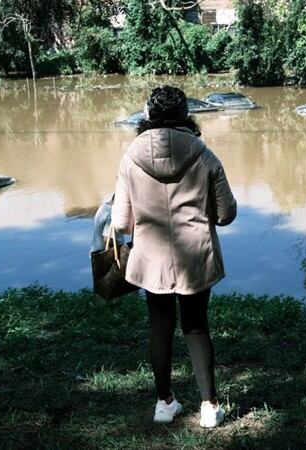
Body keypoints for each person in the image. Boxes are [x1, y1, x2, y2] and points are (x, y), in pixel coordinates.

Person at [111, 85, 237, 428]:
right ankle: (209, 407)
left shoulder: (130, 157)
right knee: (196, 326)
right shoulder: (205, 155)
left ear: (147, 116)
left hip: (150, 258)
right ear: (186, 116)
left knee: (160, 326)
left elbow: (121, 222)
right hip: (195, 256)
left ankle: (164, 403)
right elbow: (226, 215)